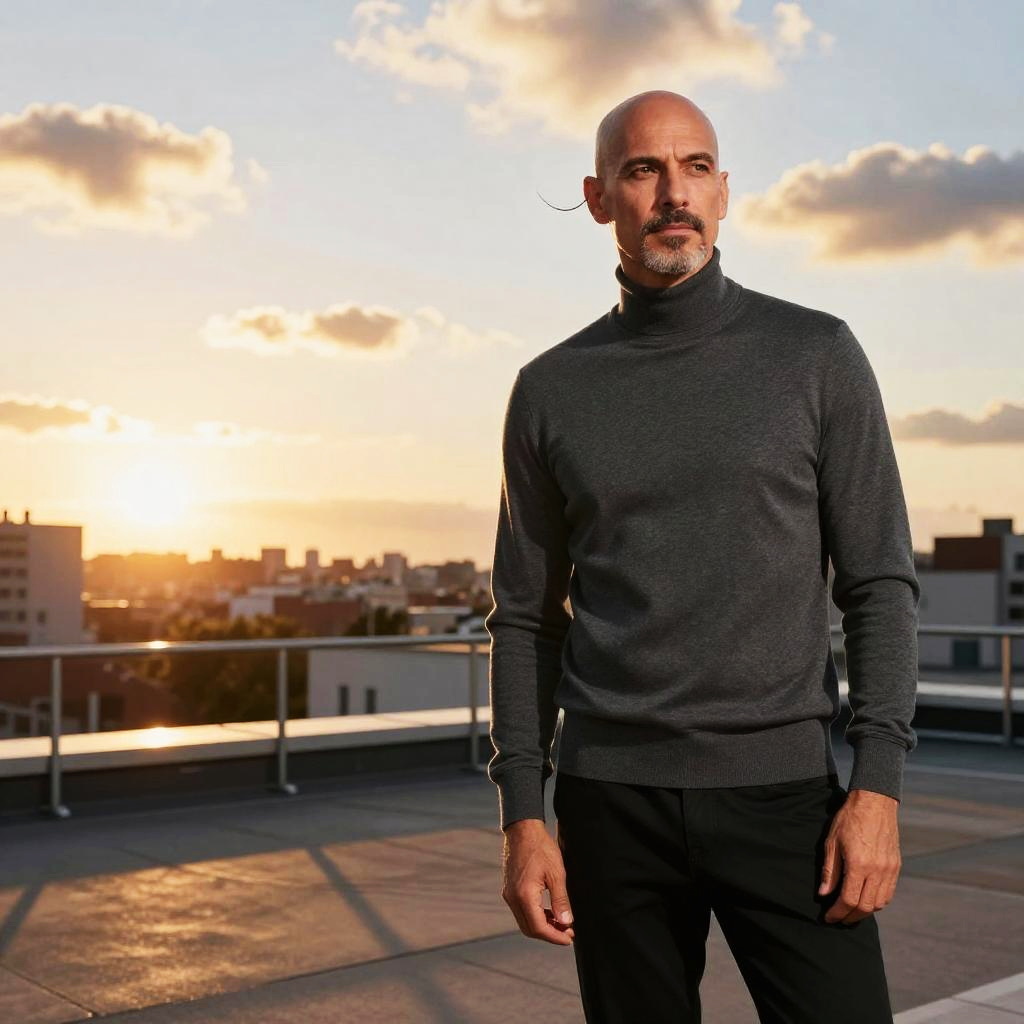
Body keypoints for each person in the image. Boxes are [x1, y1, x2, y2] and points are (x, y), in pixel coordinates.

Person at [483, 89, 919, 1023]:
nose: (673, 192)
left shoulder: (816, 355)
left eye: (695, 167)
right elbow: (524, 618)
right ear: (601, 199)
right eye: (643, 169)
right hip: (611, 805)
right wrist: (526, 815)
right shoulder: (550, 389)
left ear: (724, 192)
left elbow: (880, 582)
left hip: (786, 799)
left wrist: (877, 788)